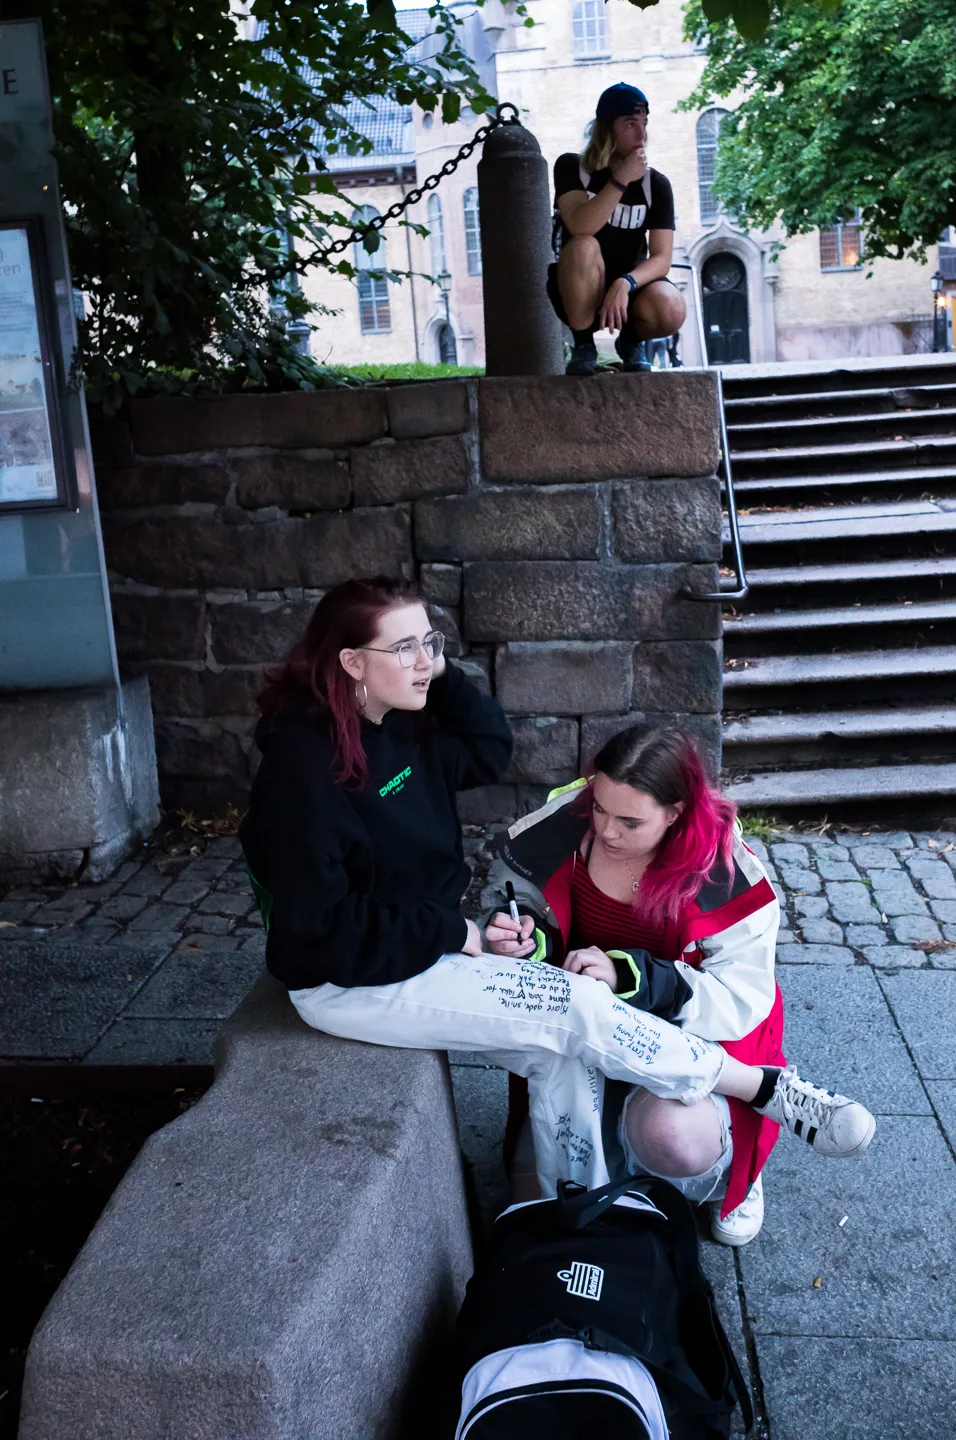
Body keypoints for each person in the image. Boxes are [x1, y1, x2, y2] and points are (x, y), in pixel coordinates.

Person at [240, 577, 874, 1217]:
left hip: (418, 944)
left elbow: (488, 747)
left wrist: (432, 669)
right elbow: (318, 932)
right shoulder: (300, 774)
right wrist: (452, 934)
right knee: (574, 1007)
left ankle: (570, 1214)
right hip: (352, 980)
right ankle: (762, 1089)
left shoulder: (397, 719)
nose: (424, 661)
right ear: (352, 662)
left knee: (564, 1056)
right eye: (404, 648)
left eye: (428, 641)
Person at [484, 726, 873, 1246]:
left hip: (698, 1023)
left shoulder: (726, 870)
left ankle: (736, 1173)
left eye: (630, 821)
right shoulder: (570, 819)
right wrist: (522, 939)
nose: (607, 832)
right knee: (534, 1185)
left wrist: (629, 977)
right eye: (600, 807)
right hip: (585, 1014)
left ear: (676, 812)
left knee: (672, 1139)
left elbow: (740, 996)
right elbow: (527, 904)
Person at [548, 82, 687, 377]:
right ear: (607, 127)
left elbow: (662, 258)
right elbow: (581, 225)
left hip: (631, 288)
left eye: (644, 124)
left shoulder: (656, 185)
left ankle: (632, 342)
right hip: (579, 284)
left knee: (672, 306)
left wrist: (625, 283)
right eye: (630, 124)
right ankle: (584, 345)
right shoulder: (573, 167)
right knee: (584, 244)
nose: (642, 134)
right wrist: (620, 181)